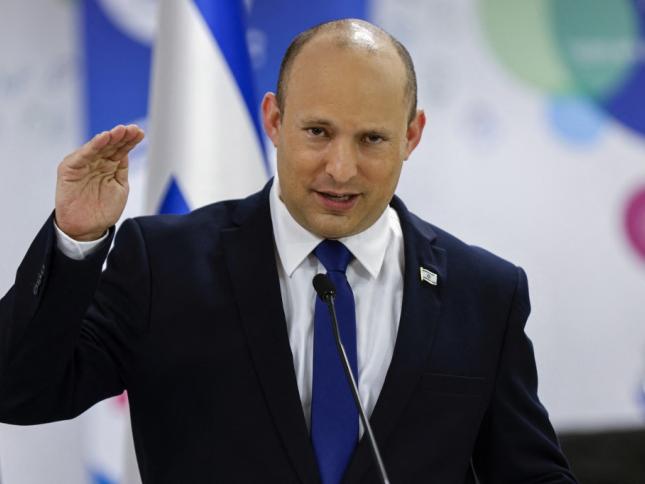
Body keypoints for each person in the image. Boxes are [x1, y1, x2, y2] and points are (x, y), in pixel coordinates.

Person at [0, 18, 576, 484]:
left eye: (372, 138)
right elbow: (19, 391)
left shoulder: (483, 293)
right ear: (274, 120)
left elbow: (528, 473)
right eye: (318, 132)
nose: (341, 169)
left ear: (411, 135)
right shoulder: (164, 263)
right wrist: (75, 240)